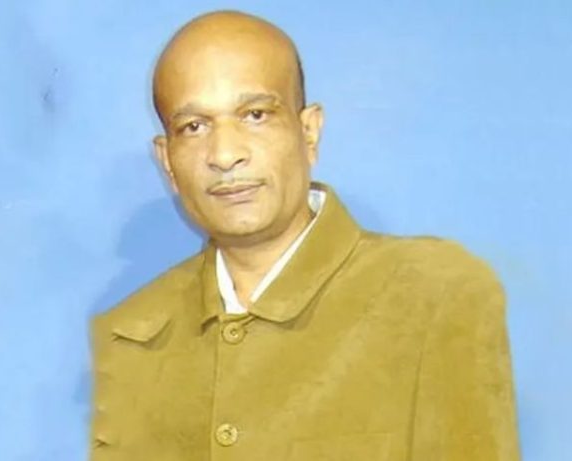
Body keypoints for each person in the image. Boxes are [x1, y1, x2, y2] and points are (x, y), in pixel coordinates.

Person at [89, 10, 520, 461]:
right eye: (194, 127)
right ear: (167, 161)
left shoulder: (434, 296)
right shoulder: (129, 335)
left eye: (255, 115)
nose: (224, 154)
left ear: (309, 132)